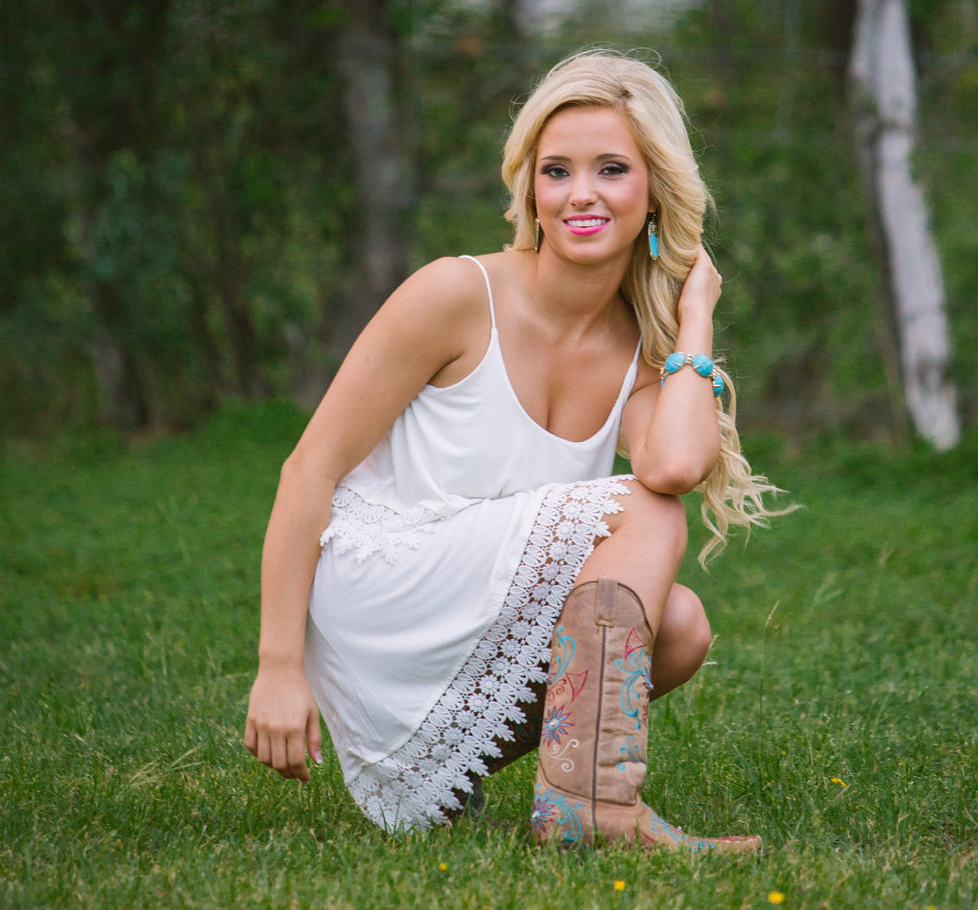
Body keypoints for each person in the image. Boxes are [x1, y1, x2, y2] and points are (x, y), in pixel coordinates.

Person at [243, 51, 781, 849]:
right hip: (380, 589)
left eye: (611, 169)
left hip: (470, 607)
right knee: (647, 516)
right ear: (531, 187)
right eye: (557, 170)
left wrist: (693, 312)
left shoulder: (640, 349)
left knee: (682, 628)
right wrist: (278, 666)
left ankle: (484, 774)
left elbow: (672, 463)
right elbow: (308, 468)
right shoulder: (457, 295)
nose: (581, 194)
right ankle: (594, 809)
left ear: (655, 193)